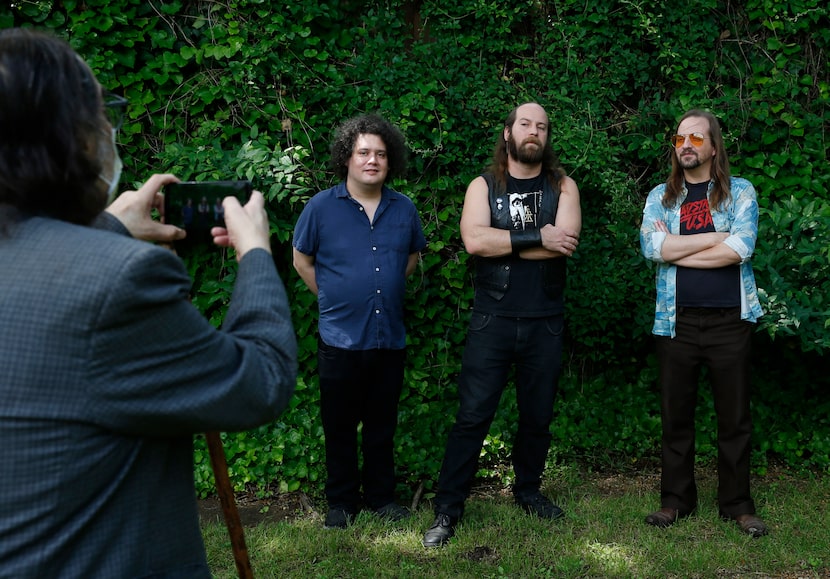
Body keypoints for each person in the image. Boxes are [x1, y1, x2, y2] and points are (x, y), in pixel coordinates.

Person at [0, 28, 298, 577]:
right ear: (72, 137)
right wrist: (255, 253)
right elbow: (261, 381)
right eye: (101, 113)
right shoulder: (120, 282)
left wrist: (110, 225)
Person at [422, 102, 582, 547]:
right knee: (472, 416)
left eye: (543, 127)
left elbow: (564, 242)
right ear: (508, 133)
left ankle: (528, 492)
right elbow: (474, 240)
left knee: (537, 417)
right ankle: (447, 508)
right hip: (491, 319)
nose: (534, 132)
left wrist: (507, 242)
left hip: (544, 321)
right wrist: (538, 236)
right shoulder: (483, 185)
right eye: (526, 124)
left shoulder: (563, 185)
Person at [292, 114, 426, 529]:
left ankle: (382, 498)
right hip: (340, 340)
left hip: (389, 339)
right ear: (347, 158)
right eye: (364, 152)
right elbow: (301, 259)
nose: (372, 160)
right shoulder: (320, 208)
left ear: (391, 161)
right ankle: (342, 502)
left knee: (382, 425)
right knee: (340, 426)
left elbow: (411, 257)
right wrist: (332, 297)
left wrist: (379, 291)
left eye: (381, 154)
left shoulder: (404, 209)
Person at [639, 109, 767, 537]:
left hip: (730, 320)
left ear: (713, 146)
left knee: (734, 418)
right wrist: (715, 237)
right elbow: (652, 246)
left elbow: (741, 248)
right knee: (676, 417)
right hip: (676, 322)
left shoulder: (740, 192)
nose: (687, 146)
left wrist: (683, 248)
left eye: (696, 138)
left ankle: (737, 504)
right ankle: (675, 501)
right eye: (680, 140)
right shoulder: (661, 196)